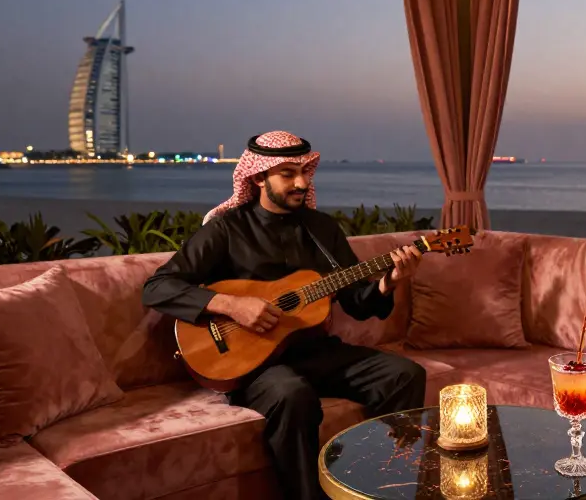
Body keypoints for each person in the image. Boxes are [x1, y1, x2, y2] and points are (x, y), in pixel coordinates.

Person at [142, 130, 427, 500]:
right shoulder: (226, 230)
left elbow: (357, 302)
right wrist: (231, 305)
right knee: (293, 396)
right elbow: (158, 287)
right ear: (259, 177)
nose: (301, 183)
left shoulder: (321, 229)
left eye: (305, 172)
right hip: (252, 363)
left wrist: (389, 282)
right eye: (288, 174)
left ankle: (377, 487)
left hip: (314, 351)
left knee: (405, 375)